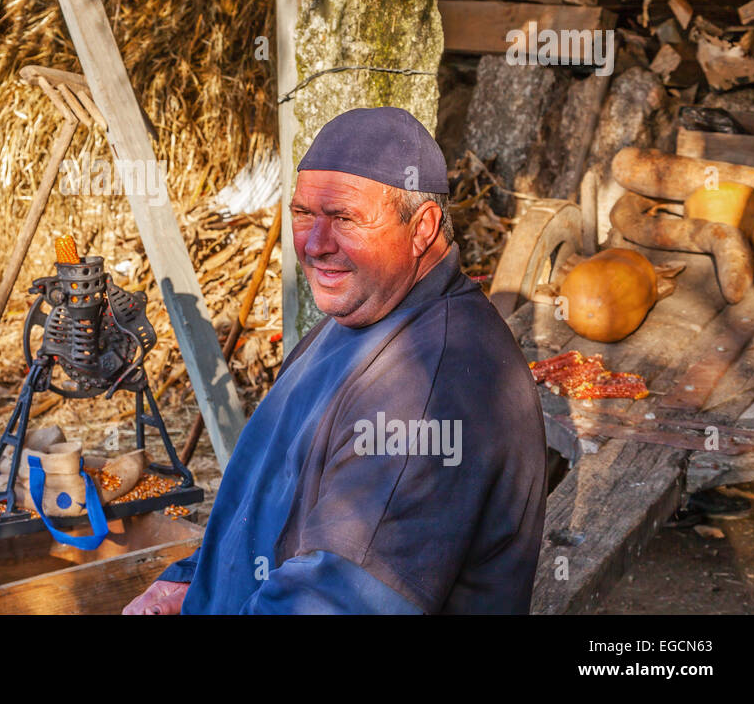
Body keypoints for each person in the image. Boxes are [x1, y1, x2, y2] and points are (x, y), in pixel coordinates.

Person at [124, 107, 546, 614]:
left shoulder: (429, 384)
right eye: (303, 215)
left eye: (345, 219)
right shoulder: (356, 318)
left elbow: (337, 601)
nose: (316, 245)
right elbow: (280, 502)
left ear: (423, 228)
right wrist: (195, 580)